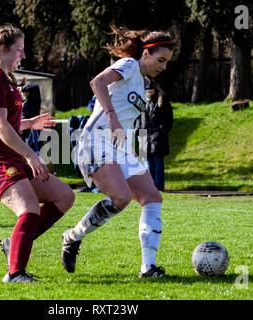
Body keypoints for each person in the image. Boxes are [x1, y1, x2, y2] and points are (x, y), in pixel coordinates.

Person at [61, 27, 175, 278]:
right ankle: (72, 237)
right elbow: (97, 82)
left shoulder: (144, 82)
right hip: (95, 141)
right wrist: (111, 116)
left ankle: (148, 267)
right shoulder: (129, 65)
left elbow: (128, 122)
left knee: (152, 198)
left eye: (166, 62)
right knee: (121, 198)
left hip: (118, 148)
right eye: (161, 60)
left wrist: (131, 150)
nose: (163, 67)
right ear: (146, 54)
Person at [0, 24, 75, 283]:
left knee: (64, 196)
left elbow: (3, 123)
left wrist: (29, 123)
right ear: (2, 50)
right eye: (19, 50)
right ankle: (15, 273)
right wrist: (31, 155)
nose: (23, 55)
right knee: (29, 210)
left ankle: (14, 244)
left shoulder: (6, 80)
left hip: (10, 156)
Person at [134, 81, 173, 191]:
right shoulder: (142, 101)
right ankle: (149, 187)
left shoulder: (162, 101)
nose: (149, 92)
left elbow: (168, 118)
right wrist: (138, 130)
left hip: (157, 136)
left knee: (158, 163)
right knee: (147, 164)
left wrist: (162, 129)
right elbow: (138, 117)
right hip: (144, 135)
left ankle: (158, 187)